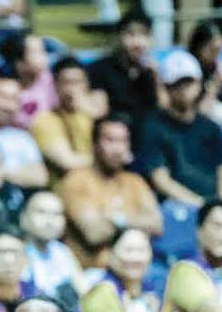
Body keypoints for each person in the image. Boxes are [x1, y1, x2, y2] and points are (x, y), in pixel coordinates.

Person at [58, 114, 162, 269]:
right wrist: (135, 220)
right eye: (110, 140)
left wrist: (115, 219)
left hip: (135, 269)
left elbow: (156, 225)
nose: (118, 149)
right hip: (92, 272)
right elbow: (94, 234)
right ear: (94, 144)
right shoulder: (77, 180)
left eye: (123, 141)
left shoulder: (135, 181)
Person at [138, 51, 222, 208]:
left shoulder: (210, 127)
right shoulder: (152, 126)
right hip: (177, 206)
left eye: (189, 82)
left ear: (199, 84)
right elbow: (160, 179)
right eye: (177, 84)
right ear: (166, 88)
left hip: (216, 204)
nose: (184, 90)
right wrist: (201, 207)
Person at [86, 9, 161, 128]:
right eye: (131, 34)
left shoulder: (152, 72)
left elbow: (165, 109)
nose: (137, 42)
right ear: (119, 36)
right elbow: (99, 111)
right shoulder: (100, 69)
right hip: (114, 136)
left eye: (144, 35)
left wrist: (156, 78)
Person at [30, 56, 98, 176]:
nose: (71, 89)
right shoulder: (44, 121)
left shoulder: (95, 117)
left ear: (86, 84)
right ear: (55, 85)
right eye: (66, 82)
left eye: (77, 82)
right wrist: (107, 159)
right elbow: (67, 162)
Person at [20, 191, 84, 299]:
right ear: (24, 218)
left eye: (57, 214)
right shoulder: (17, 252)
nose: (50, 221)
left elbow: (83, 291)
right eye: (41, 212)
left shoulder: (62, 251)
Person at [0, 31, 57, 129]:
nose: (45, 57)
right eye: (37, 52)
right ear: (19, 63)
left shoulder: (50, 80)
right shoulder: (1, 85)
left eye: (44, 51)